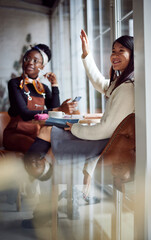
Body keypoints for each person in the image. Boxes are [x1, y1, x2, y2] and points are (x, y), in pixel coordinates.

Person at [23, 30, 134, 200]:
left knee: (47, 133)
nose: (115, 55)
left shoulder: (126, 88)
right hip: (102, 139)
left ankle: (38, 177)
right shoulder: (121, 84)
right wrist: (86, 54)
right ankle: (43, 177)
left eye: (121, 51)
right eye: (113, 50)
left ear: (133, 55)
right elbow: (100, 83)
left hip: (103, 143)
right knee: (50, 137)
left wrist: (75, 128)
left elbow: (104, 130)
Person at [3, 43, 76, 153]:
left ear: (42, 66)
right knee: (39, 151)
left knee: (58, 147)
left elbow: (55, 110)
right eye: (27, 59)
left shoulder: (43, 88)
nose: (30, 63)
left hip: (36, 134)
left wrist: (54, 85)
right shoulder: (14, 83)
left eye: (35, 61)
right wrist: (58, 110)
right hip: (16, 134)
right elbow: (25, 114)